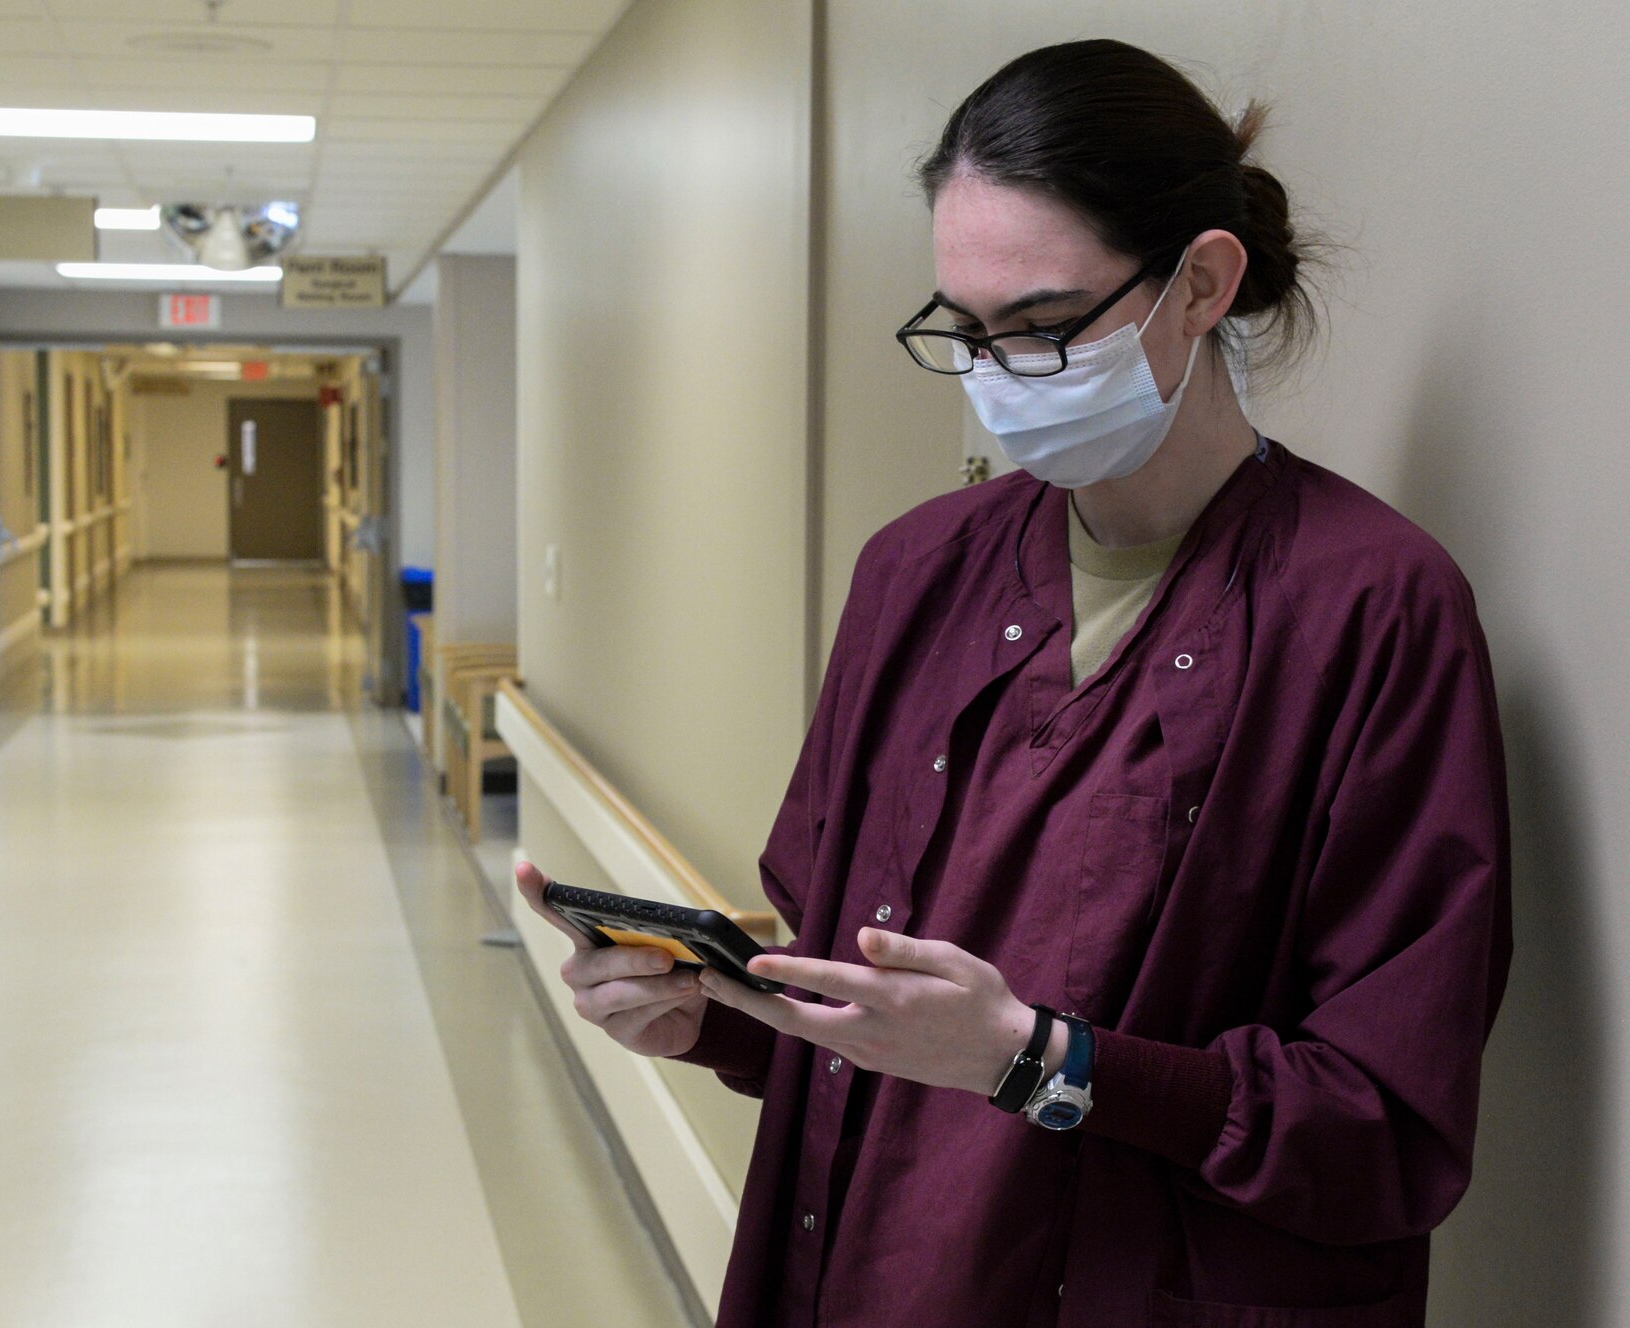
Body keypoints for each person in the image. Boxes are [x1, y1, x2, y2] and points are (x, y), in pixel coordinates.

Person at [518, 37, 1510, 1327]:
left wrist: (1046, 1062)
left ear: (1202, 283)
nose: (995, 376)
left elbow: (1383, 1124)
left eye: (1041, 327)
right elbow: (855, 996)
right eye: (963, 331)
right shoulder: (915, 573)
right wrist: (700, 1015)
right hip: (866, 1271)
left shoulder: (1373, 608)